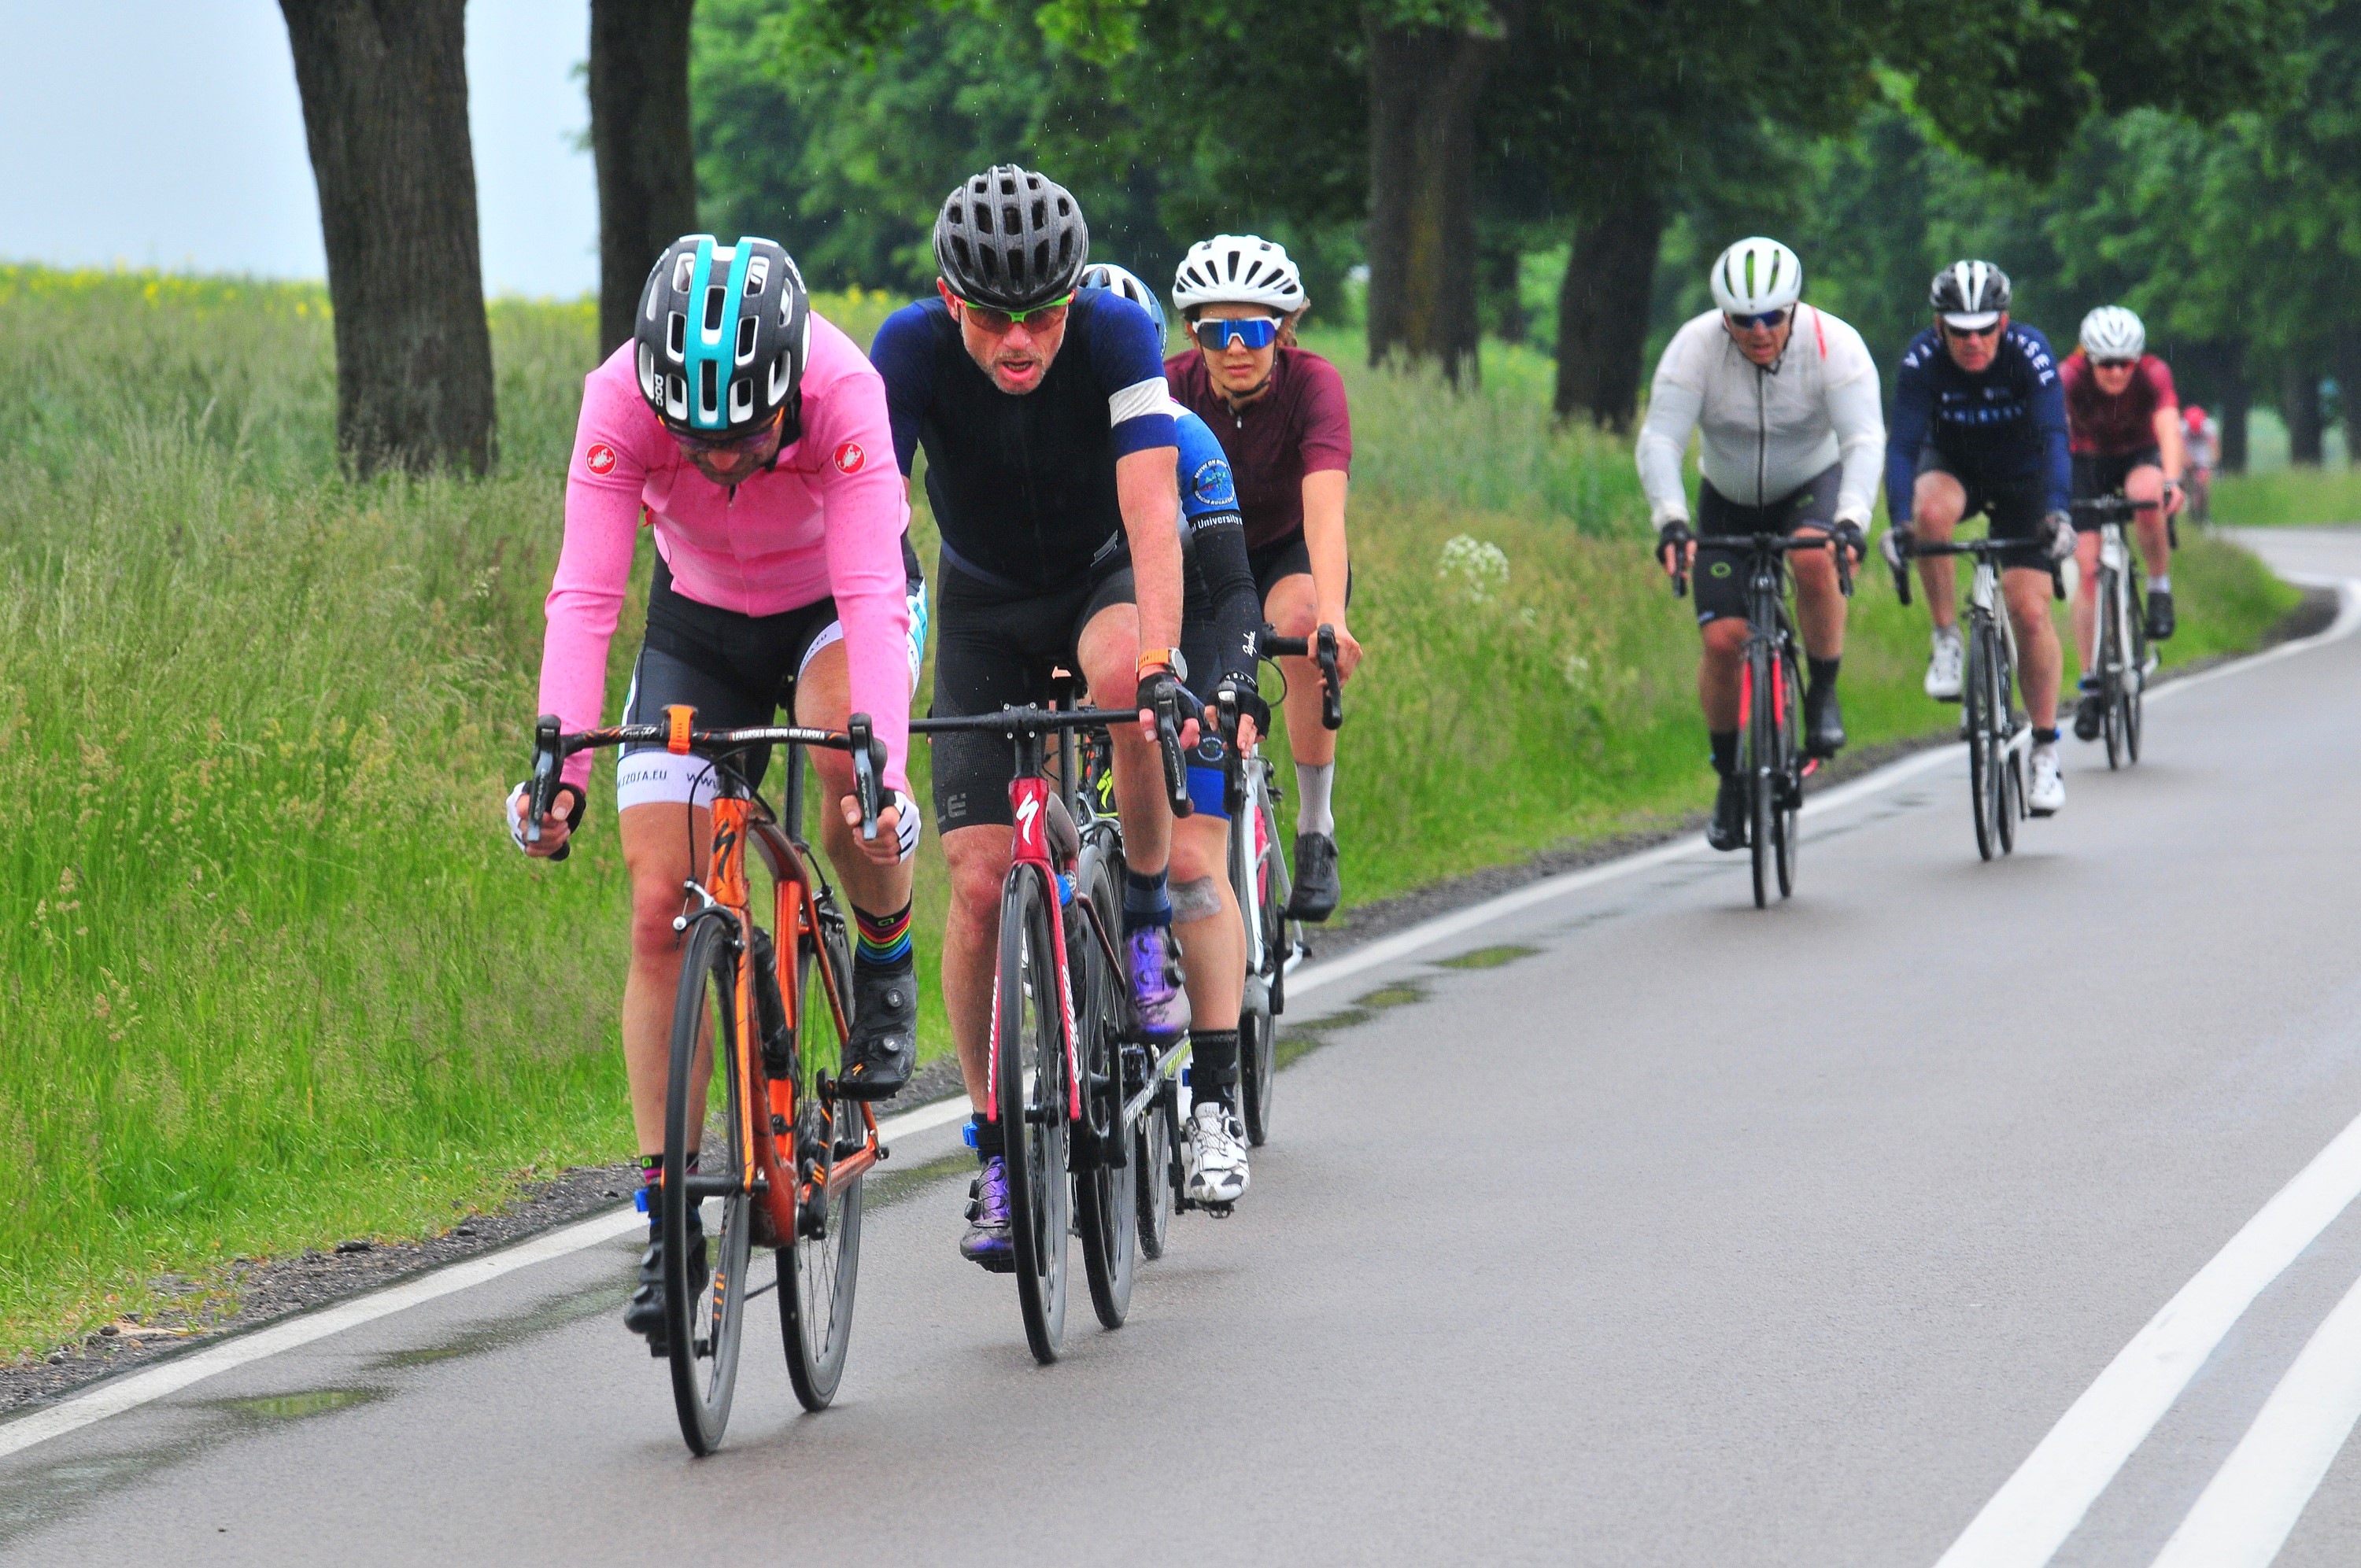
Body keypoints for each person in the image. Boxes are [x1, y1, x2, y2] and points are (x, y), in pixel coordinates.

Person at [508, 234, 924, 1351]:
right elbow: (586, 596)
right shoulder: (616, 399)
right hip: (697, 620)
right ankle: (667, 1220)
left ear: (788, 392)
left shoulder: (844, 387)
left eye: (746, 435)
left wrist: (882, 764)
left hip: (833, 607)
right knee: (659, 907)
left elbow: (873, 591)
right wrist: (560, 774)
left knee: (841, 767)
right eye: (699, 441)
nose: (726, 459)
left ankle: (885, 954)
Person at [870, 168, 1193, 1267]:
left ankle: (1142, 917)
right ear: (950, 299)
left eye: (1043, 314)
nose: (1020, 340)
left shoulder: (1116, 334)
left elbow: (1151, 508)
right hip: (983, 604)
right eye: (994, 317)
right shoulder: (908, 348)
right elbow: (874, 516)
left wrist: (1160, 661)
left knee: (1125, 693)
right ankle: (998, 1145)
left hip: (1098, 577)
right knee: (972, 886)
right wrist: (882, 661)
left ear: (1074, 298)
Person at [1085, 260, 1265, 1205]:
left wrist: (1231, 684)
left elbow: (1233, 587)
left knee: (1195, 865)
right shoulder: (1028, 440)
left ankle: (1215, 1106)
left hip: (1183, 633)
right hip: (1086, 633)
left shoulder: (1186, 438)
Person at [1636, 237, 1885, 851]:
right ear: (1724, 316)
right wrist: (1671, 521)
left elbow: (1863, 440)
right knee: (1723, 641)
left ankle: (1823, 690)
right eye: (1743, 319)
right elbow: (1660, 440)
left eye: (1773, 316)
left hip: (1810, 485)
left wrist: (1852, 520)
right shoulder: (1694, 347)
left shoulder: (1835, 345)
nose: (1759, 331)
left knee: (1812, 556)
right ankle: (1729, 777)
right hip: (1727, 496)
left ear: (1793, 308)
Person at [1164, 234, 1360, 922]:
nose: (1235, 348)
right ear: (1193, 333)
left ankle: (1315, 828)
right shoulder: (1169, 387)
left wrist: (1332, 618)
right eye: (1215, 331)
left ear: (1283, 329)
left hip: (1284, 549)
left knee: (1303, 629)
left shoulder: (1314, 384)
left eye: (1252, 330)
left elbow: (1325, 513)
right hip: (1201, 558)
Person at [1883, 260, 2077, 815]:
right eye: (1959, 331)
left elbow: (2055, 436)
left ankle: (2044, 749)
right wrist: (1899, 522)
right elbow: (1903, 447)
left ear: (2004, 323)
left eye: (1985, 329)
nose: (1973, 342)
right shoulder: (1922, 359)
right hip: (1955, 468)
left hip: (2023, 478)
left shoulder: (2030, 352)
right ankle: (1946, 637)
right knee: (1928, 512)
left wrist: (2059, 513)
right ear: (1939, 327)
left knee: (2030, 613)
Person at [2060, 305, 2185, 741]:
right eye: (2106, 363)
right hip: (2086, 460)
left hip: (2137, 455)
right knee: (2087, 570)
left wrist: (2172, 480)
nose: (2116, 372)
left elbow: (2168, 427)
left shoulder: (2154, 374)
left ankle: (2159, 586)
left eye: (2125, 363)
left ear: (2138, 359)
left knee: (2148, 496)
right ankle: (2090, 684)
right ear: (2087, 358)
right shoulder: (2068, 377)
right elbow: (2051, 433)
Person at [2182, 404, 2218, 523]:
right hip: (2189, 451)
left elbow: (2214, 447)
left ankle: (2205, 514)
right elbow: (2181, 448)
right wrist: (2187, 461)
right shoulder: (2182, 428)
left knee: (2203, 483)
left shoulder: (2209, 427)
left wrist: (2214, 463)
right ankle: (2191, 512)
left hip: (2203, 453)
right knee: (2187, 480)